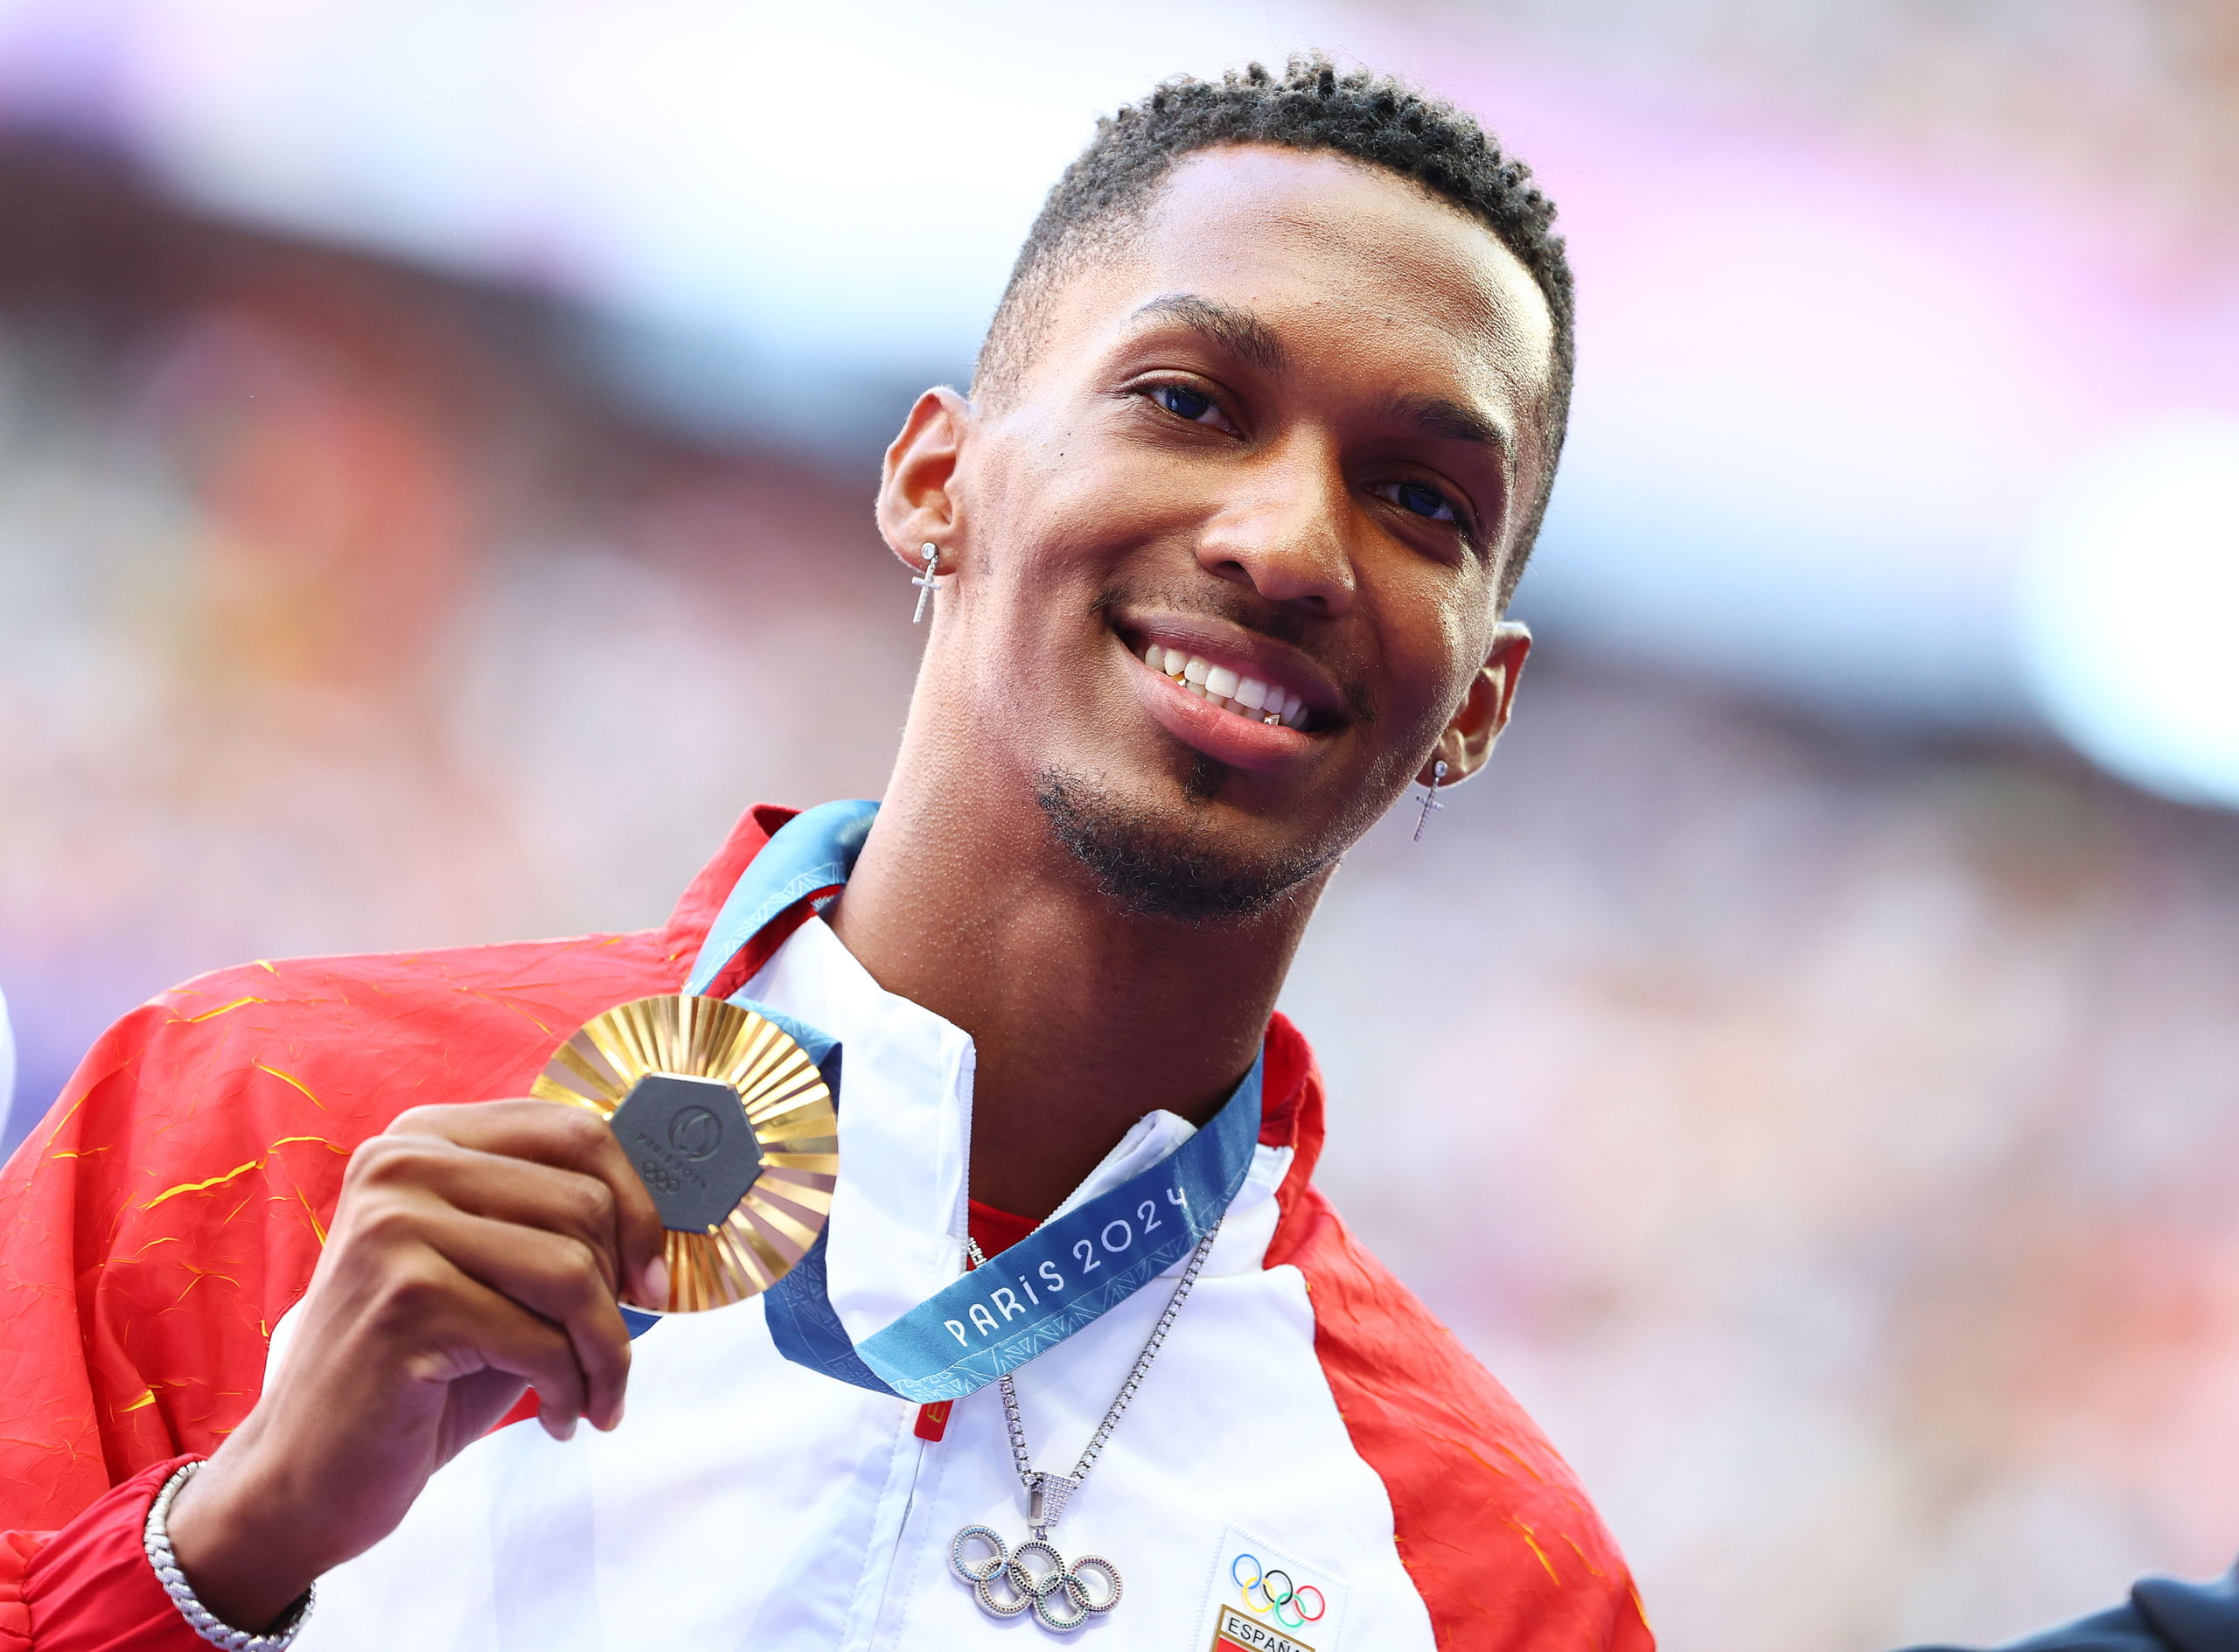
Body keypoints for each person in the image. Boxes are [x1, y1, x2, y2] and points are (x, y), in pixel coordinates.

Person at [0, 56, 1641, 1651]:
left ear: (1478, 702)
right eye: (1188, 402)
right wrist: (236, 1541)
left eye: (1422, 499)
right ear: (936, 480)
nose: (1286, 546)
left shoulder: (1503, 1586)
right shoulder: (244, 1125)